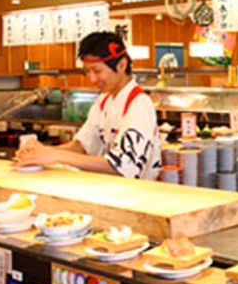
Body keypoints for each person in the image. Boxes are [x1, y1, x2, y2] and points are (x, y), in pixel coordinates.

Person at [16, 32, 161, 180]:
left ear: (121, 65)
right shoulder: (104, 101)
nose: (92, 78)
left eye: (97, 71)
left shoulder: (139, 104)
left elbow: (121, 167)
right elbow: (82, 146)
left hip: (138, 191)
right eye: (87, 71)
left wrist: (57, 156)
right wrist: (41, 152)